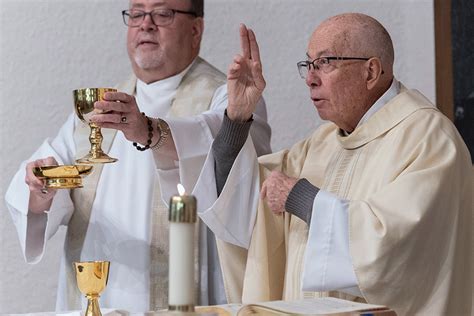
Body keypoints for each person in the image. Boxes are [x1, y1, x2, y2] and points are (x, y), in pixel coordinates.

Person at [153, 15, 472, 315]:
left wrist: (300, 198)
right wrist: (237, 119)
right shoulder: (319, 145)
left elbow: (395, 248)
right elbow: (243, 211)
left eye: (325, 63)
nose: (310, 78)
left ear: (371, 72)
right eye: (308, 64)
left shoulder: (428, 138)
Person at [5, 0, 271, 312]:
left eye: (162, 13)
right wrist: (41, 187)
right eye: (136, 13)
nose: (146, 24)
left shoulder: (230, 95)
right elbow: (42, 189)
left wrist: (148, 130)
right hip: (95, 301)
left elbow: (218, 145)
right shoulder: (99, 107)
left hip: (189, 299)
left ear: (196, 29)